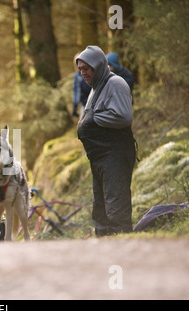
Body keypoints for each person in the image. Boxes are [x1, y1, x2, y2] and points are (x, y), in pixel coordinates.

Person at [76, 45, 136, 236]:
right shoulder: (96, 87)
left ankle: (123, 245)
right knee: (100, 205)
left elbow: (123, 117)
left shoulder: (115, 84)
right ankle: (103, 247)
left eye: (86, 68)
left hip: (115, 154)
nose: (83, 73)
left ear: (98, 66)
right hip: (99, 157)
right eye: (80, 69)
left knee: (115, 203)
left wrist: (93, 119)